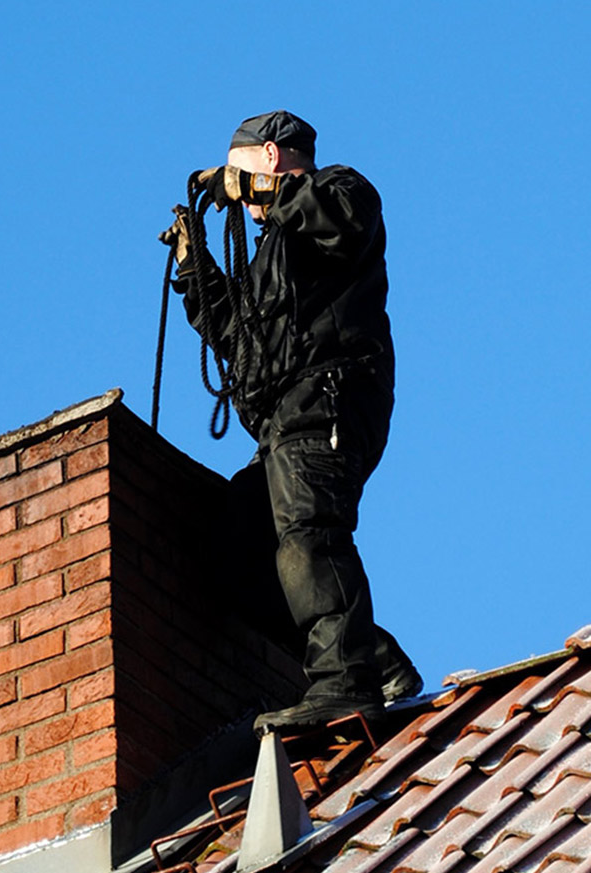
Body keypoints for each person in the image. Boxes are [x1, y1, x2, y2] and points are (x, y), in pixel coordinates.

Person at [163, 110, 421, 734]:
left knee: (308, 531)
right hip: (281, 419)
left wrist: (248, 189)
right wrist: (197, 266)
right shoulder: (269, 256)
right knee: (237, 551)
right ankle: (374, 661)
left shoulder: (342, 190)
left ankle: (343, 683)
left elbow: (329, 219)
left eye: (241, 173)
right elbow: (239, 338)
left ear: (272, 158)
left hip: (327, 395)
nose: (238, 199)